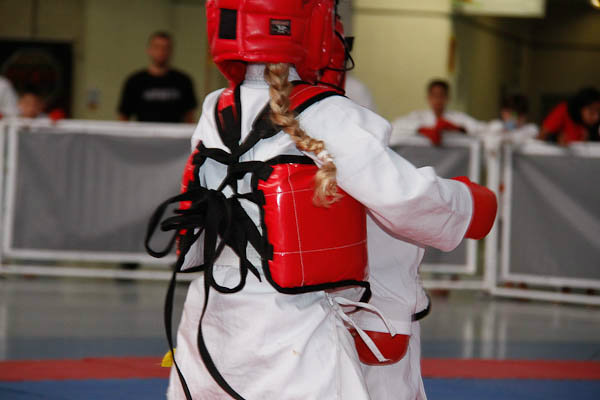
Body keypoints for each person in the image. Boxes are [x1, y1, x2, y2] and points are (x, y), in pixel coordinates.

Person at [146, 1, 497, 399]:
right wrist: (468, 204)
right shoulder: (329, 112)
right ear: (312, 27)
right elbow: (402, 198)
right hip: (292, 330)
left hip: (210, 321)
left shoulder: (215, 107)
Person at [118, 31, 198, 123]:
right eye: (157, 47)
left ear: (171, 51)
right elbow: (124, 116)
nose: (161, 52)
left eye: (165, 48)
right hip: (144, 131)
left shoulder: (183, 81)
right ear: (149, 50)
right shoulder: (135, 81)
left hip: (174, 131)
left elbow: (189, 116)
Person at [391, 79, 485, 146]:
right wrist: (422, 130)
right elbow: (395, 126)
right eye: (434, 95)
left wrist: (458, 129)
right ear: (428, 98)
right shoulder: (418, 116)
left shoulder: (458, 118)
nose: (438, 100)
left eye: (441, 95)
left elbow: (481, 129)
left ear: (448, 98)